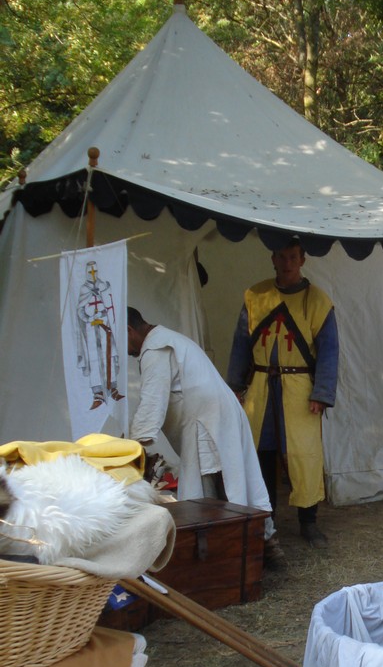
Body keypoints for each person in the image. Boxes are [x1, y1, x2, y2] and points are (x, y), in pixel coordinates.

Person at [127, 307, 283, 564]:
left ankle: (240, 552)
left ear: (129, 330)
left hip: (207, 423)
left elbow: (151, 404)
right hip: (217, 416)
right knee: (237, 482)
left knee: (216, 493)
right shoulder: (170, 339)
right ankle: (258, 545)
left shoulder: (156, 348)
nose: (125, 351)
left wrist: (130, 451)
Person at [227, 238, 339, 549]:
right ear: (273, 259)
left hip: (300, 391)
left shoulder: (318, 302)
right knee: (260, 454)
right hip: (261, 387)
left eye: (292, 257)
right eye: (281, 256)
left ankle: (308, 522)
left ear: (302, 260)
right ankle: (266, 519)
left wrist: (321, 392)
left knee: (304, 455)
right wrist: (235, 386)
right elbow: (241, 344)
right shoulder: (256, 296)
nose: (287, 263)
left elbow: (329, 351)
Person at [76, 260, 124, 409]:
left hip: (105, 326)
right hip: (91, 328)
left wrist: (103, 315)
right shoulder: (84, 289)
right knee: (94, 359)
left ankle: (113, 388)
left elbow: (110, 305)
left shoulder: (104, 286)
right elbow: (80, 310)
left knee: (108, 355)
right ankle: (98, 393)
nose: (92, 274)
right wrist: (89, 318)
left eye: (94, 271)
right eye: (90, 272)